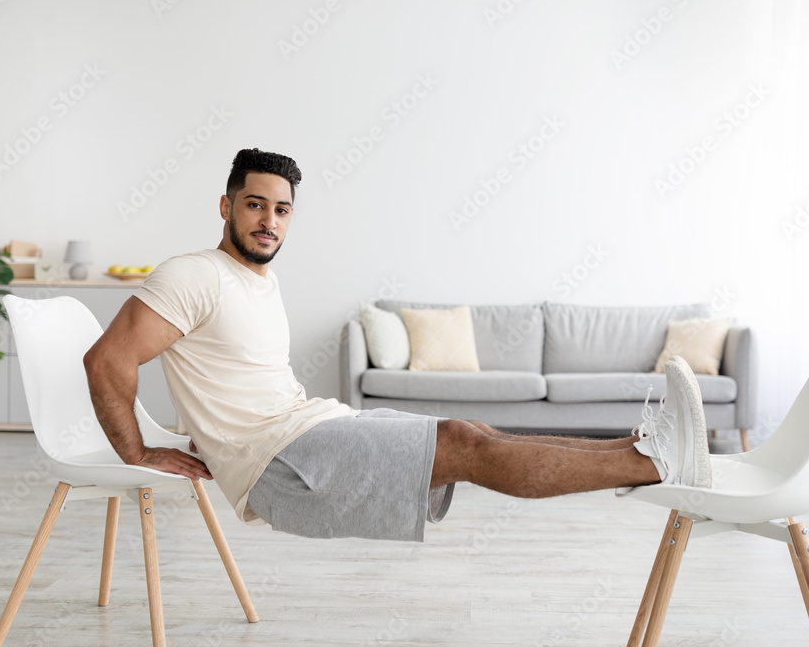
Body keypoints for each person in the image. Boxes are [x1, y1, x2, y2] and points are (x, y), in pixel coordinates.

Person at [83, 148, 712, 542]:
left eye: (281, 210)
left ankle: (644, 448)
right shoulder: (192, 273)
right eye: (254, 205)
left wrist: (210, 429)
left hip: (306, 428)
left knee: (471, 432)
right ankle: (656, 463)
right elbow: (106, 359)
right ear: (226, 205)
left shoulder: (259, 282)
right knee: (465, 446)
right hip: (282, 465)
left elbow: (228, 380)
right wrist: (138, 449)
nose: (268, 221)